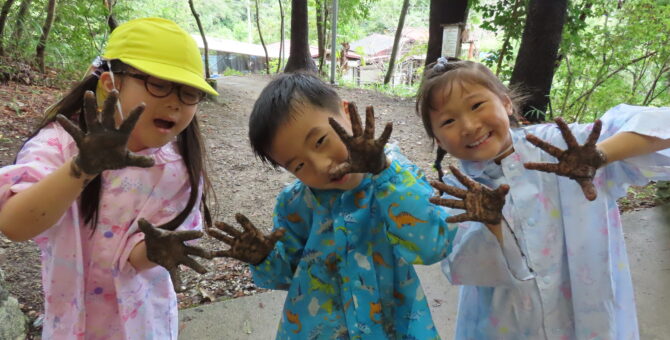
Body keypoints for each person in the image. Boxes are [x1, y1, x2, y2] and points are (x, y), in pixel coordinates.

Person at [415, 57, 670, 339]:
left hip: (589, 321)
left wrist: (600, 156)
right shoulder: (459, 196)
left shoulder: (563, 146)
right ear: (437, 140)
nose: (469, 125)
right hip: (506, 328)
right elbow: (465, 270)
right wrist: (492, 226)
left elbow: (661, 125)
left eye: (477, 105)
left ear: (506, 103)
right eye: (448, 120)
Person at [0, 17, 219, 339]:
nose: (175, 102)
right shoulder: (59, 144)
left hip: (144, 325)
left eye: (189, 93)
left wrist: (156, 251)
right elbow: (15, 224)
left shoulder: (178, 169)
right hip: (70, 323)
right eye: (158, 84)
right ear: (110, 84)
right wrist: (82, 168)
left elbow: (135, 257)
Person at [206, 72, 460, 339]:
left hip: (394, 326)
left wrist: (384, 171)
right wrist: (262, 258)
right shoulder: (295, 203)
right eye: (299, 165)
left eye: (320, 141)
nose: (322, 166)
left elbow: (432, 246)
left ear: (346, 112)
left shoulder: (398, 178)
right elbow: (285, 275)